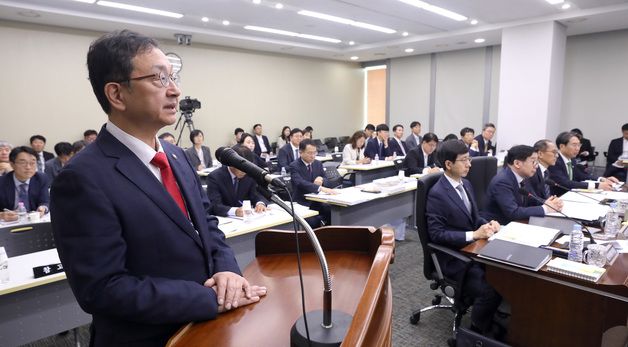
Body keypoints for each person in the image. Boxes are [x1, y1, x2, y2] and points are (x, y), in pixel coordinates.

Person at [49, 30, 265, 347]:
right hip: (148, 337)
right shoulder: (81, 178)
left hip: (207, 330)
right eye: (159, 79)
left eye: (173, 77)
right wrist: (208, 298)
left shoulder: (175, 156)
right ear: (117, 95)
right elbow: (103, 288)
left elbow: (206, 225)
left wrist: (228, 271)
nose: (175, 91)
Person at [426, 139, 502, 337]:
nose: (469, 164)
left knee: (506, 275)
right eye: (464, 160)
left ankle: (488, 317)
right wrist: (473, 234)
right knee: (491, 289)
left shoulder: (465, 184)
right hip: (454, 258)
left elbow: (474, 217)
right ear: (449, 164)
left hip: (473, 250)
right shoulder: (438, 194)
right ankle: (476, 332)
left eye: (469, 159)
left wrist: (488, 223)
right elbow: (436, 234)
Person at [483, 145, 563, 225]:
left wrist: (549, 203)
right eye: (533, 162)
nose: (536, 166)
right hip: (498, 227)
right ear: (517, 163)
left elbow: (533, 199)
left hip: (517, 223)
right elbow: (513, 212)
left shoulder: (523, 177)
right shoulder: (502, 182)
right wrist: (545, 209)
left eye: (537, 162)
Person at [548, 131, 618, 196]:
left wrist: (601, 179)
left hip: (571, 194)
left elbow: (580, 175)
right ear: (562, 146)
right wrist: (597, 185)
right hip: (558, 197)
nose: (577, 148)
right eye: (574, 145)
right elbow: (565, 183)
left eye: (579, 145)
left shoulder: (571, 159)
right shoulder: (554, 161)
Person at [206, 145, 266, 217]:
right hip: (225, 220)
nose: (244, 171)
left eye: (247, 168)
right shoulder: (215, 177)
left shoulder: (250, 174)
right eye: (242, 168)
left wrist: (259, 203)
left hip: (248, 219)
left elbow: (255, 194)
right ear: (231, 163)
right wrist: (235, 211)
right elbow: (215, 205)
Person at [289, 139, 338, 226]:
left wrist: (322, 179)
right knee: (313, 221)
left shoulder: (317, 164)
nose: (313, 156)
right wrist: (320, 188)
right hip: (302, 202)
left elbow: (328, 182)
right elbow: (300, 183)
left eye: (314, 152)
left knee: (333, 211)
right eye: (309, 153)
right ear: (301, 152)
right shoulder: (294, 166)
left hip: (317, 201)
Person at [0, 146, 50, 214]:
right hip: (9, 222)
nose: (28, 167)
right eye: (23, 163)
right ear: (12, 164)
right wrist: (2, 215)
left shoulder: (41, 178)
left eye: (32, 163)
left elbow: (45, 201)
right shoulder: (2, 182)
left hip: (33, 220)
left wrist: (43, 208)